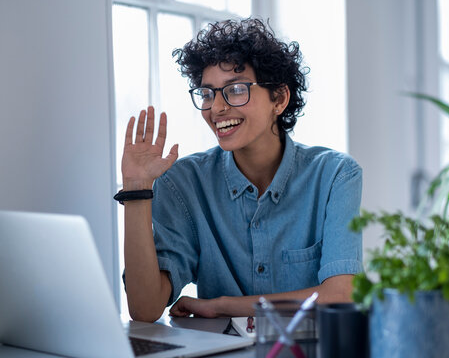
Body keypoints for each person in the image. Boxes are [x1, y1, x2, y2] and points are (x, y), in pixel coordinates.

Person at [120, 18, 363, 322]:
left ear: (279, 98)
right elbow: (144, 309)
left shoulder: (335, 176)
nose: (216, 108)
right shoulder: (182, 183)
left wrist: (222, 306)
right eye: (208, 93)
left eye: (235, 90)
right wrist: (136, 188)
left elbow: (340, 296)